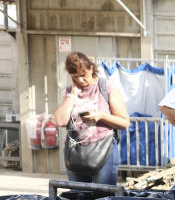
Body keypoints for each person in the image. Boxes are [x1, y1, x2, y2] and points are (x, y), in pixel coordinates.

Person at [53, 52, 130, 185]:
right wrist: (72, 94)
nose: (80, 81)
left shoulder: (105, 87)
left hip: (103, 149)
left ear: (90, 69)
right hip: (76, 152)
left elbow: (124, 122)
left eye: (83, 76)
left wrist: (101, 116)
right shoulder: (70, 91)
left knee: (102, 198)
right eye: (75, 77)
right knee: (78, 199)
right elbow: (60, 121)